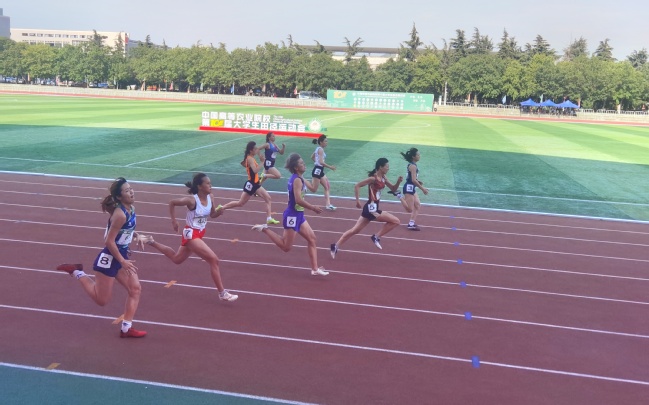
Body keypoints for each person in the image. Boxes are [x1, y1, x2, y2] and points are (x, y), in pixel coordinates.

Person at [56, 177, 150, 338]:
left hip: (122, 256)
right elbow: (109, 241)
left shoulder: (131, 209)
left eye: (131, 189)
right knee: (102, 300)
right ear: (119, 197)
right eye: (127, 191)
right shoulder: (120, 214)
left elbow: (125, 230)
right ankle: (77, 272)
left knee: (135, 289)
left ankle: (126, 328)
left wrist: (137, 236)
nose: (131, 192)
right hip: (111, 258)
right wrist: (122, 261)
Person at [144, 173, 238, 302]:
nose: (211, 185)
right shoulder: (192, 200)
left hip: (200, 233)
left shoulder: (211, 197)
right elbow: (172, 202)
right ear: (200, 186)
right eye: (208, 183)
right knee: (214, 260)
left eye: (210, 183)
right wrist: (174, 221)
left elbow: (212, 214)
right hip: (191, 234)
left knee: (177, 259)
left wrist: (219, 213)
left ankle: (151, 241)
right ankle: (222, 293)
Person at [251, 153, 329, 276]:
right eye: (301, 163)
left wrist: (317, 176)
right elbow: (298, 200)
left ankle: (314, 269)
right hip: (292, 216)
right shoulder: (297, 180)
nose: (304, 164)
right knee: (286, 247)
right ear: (296, 168)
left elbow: (313, 188)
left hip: (299, 215)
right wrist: (313, 208)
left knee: (312, 239)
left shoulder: (300, 178)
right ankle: (265, 229)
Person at [330, 158, 402, 258]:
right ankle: (376, 237)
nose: (388, 168)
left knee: (355, 230)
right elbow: (357, 185)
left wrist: (398, 182)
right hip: (372, 209)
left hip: (369, 208)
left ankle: (335, 246)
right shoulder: (373, 179)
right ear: (380, 167)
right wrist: (357, 201)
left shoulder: (383, 178)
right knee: (396, 221)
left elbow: (393, 189)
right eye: (387, 166)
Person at [221, 141, 280, 225]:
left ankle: (269, 218)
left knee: (267, 198)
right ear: (251, 150)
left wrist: (248, 165)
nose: (256, 150)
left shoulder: (250, 158)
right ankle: (222, 207)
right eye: (255, 149)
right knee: (240, 203)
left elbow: (243, 164)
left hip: (255, 183)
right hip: (252, 184)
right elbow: (255, 170)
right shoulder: (250, 159)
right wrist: (262, 162)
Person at [399, 147, 428, 230]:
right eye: (418, 155)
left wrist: (418, 181)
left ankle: (411, 224)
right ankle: (399, 196)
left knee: (417, 205)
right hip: (408, 188)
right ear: (413, 156)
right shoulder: (413, 166)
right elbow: (413, 180)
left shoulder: (413, 165)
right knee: (409, 209)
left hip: (412, 187)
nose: (419, 156)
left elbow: (412, 178)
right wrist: (422, 189)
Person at [310, 134, 337, 211]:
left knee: (327, 186)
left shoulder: (318, 148)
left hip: (320, 170)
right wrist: (330, 167)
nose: (326, 143)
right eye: (325, 141)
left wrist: (317, 163)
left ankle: (328, 205)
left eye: (327, 141)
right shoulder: (320, 150)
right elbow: (321, 162)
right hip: (317, 170)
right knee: (313, 189)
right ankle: (303, 181)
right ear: (321, 142)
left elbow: (312, 157)